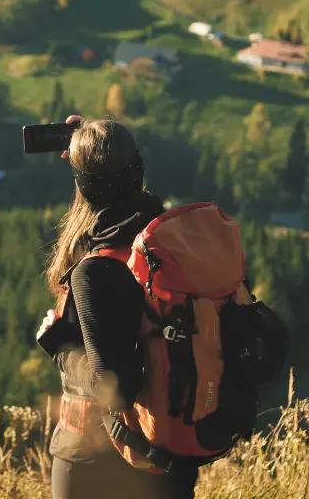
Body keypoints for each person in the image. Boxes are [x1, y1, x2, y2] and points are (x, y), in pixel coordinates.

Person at [37, 116, 199, 499]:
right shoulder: (167, 240)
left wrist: (58, 346)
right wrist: (98, 141)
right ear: (136, 169)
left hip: (99, 455)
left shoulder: (94, 272)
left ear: (84, 185)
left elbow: (116, 389)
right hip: (168, 452)